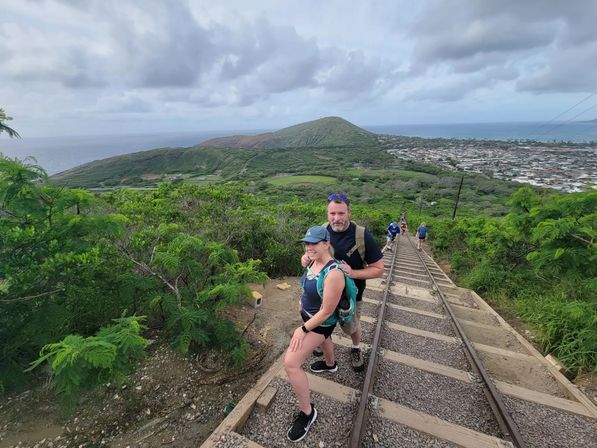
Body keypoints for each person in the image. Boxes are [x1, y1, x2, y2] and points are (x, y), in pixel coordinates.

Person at [302, 193, 384, 371]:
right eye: (332, 214)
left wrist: (353, 272)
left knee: (352, 326)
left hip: (350, 297)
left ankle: (355, 348)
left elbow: (379, 269)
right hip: (322, 294)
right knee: (323, 322)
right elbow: (313, 252)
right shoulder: (323, 231)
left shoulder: (361, 235)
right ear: (327, 213)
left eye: (341, 213)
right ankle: (323, 345)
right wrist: (306, 257)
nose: (336, 218)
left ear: (349, 213)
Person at [284, 225, 345, 442]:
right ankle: (331, 365)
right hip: (309, 316)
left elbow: (327, 311)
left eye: (314, 243)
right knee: (325, 341)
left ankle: (308, 413)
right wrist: (308, 256)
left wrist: (302, 329)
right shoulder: (312, 260)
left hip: (320, 323)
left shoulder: (334, 273)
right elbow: (309, 282)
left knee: (291, 363)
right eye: (306, 243)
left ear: (327, 243)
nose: (308, 246)